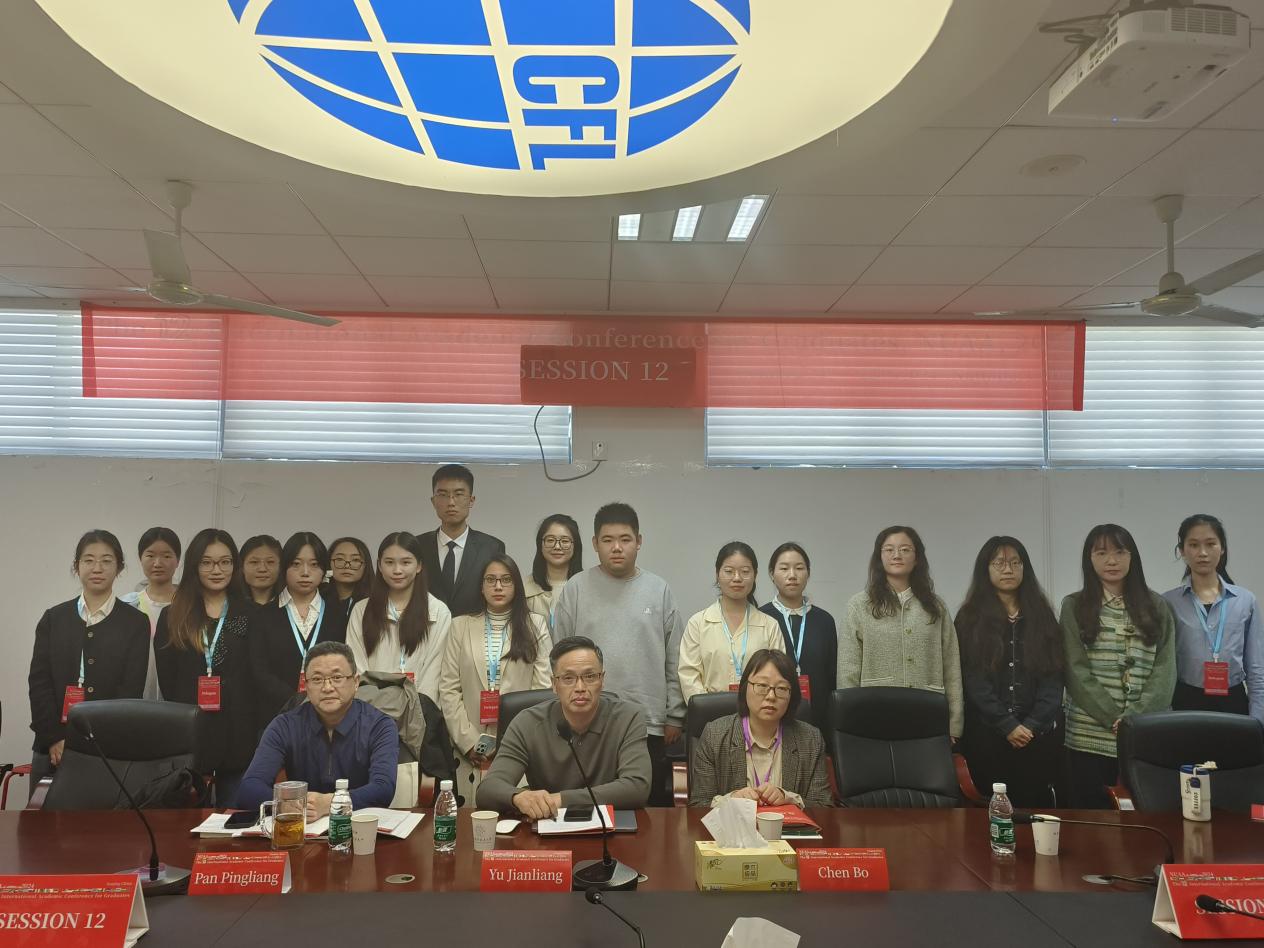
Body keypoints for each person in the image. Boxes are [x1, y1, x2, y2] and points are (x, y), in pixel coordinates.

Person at [552, 502, 685, 806]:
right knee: (589, 808)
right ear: (595, 543)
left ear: (639, 541)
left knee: (645, 809)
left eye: (625, 539)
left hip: (648, 722)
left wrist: (675, 716)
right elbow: (559, 654)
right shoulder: (576, 588)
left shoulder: (659, 589)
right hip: (586, 720)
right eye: (608, 540)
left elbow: (675, 657)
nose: (616, 547)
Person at [1061, 524, 1176, 809]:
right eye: (1101, 553)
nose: (1111, 561)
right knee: (1092, 819)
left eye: (1120, 552)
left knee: (1147, 815)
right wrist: (1113, 717)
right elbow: (1075, 668)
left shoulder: (1157, 605)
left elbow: (1165, 668)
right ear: (1089, 559)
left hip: (1146, 731)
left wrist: (1134, 717)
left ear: (1132, 556)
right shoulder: (1074, 605)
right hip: (1089, 734)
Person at [27, 530, 149, 794]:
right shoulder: (54, 618)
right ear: (77, 566)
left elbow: (130, 690)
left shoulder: (135, 623)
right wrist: (54, 738)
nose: (97, 568)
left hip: (107, 754)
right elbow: (39, 683)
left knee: (100, 821)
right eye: (89, 560)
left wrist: (97, 745)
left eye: (106, 561)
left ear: (119, 567)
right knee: (43, 820)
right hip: (52, 749)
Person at [475, 636, 651, 817]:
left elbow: (637, 787)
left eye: (590, 676)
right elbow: (488, 790)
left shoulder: (629, 718)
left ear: (602, 679)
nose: (580, 687)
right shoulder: (527, 723)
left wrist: (559, 800)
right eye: (568, 678)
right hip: (547, 825)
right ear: (554, 684)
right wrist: (519, 797)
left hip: (612, 827)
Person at [956, 536, 1064, 809]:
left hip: (1036, 737)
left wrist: (1031, 725)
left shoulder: (1043, 616)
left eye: (1016, 563)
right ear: (986, 569)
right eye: (999, 563)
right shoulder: (970, 618)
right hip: (987, 735)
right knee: (989, 811)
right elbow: (973, 680)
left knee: (1034, 808)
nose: (1008, 570)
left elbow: (1053, 677)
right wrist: (1007, 725)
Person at [236, 642, 398, 816]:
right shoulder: (285, 725)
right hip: (303, 824)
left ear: (356, 682)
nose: (327, 688)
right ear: (306, 686)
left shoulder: (380, 726)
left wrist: (331, 803)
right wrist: (285, 804)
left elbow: (383, 789)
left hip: (359, 824)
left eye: (337, 677)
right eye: (317, 679)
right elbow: (249, 789)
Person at [155, 528, 255, 806]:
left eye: (225, 562)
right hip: (191, 732)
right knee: (186, 821)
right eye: (207, 562)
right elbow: (168, 680)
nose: (217, 570)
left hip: (238, 734)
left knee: (233, 819)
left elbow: (255, 677)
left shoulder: (250, 614)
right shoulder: (174, 615)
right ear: (194, 566)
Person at [439, 554, 551, 803]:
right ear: (481, 586)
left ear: (516, 585)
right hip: (469, 745)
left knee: (515, 814)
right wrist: (469, 742)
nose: (498, 586)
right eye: (491, 580)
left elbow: (542, 691)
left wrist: (515, 742)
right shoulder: (460, 626)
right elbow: (448, 688)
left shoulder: (535, 625)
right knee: (471, 817)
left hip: (521, 744)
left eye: (506, 580)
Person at [838, 526, 964, 739]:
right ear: (879, 558)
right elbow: (847, 669)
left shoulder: (935, 606)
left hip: (928, 715)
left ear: (917, 558)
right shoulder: (859, 605)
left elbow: (951, 666)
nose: (897, 555)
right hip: (874, 714)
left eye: (905, 549)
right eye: (889, 550)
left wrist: (954, 724)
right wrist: (850, 722)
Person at [688, 649, 832, 808]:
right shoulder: (715, 735)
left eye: (781, 688)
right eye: (762, 685)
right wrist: (731, 800)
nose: (771, 696)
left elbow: (824, 806)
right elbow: (698, 806)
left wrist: (790, 799)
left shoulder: (810, 739)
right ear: (744, 688)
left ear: (792, 696)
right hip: (735, 824)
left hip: (786, 824)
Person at [1163, 514, 1263, 720]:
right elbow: (1163, 667)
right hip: (1185, 699)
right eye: (1193, 545)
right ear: (1182, 550)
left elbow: (1256, 669)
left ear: (1222, 548)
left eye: (1210, 544)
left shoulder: (1245, 601)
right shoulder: (1168, 602)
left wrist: (1258, 720)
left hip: (1233, 700)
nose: (1203, 553)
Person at [250, 532, 348, 733]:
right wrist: (298, 700)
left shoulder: (338, 615)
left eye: (314, 565)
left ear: (324, 570)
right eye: (296, 564)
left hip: (327, 719)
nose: (305, 572)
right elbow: (259, 672)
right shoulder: (263, 615)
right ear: (284, 567)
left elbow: (343, 668)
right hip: (275, 718)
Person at [346, 532, 452, 704]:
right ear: (379, 566)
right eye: (389, 562)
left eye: (406, 562)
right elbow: (357, 666)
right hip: (371, 709)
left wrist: (417, 710)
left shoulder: (438, 611)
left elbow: (434, 673)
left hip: (420, 711)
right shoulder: (361, 610)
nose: (397, 570)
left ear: (419, 566)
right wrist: (373, 708)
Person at [679, 541, 784, 700]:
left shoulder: (770, 626)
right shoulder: (698, 623)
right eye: (729, 571)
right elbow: (689, 675)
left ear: (755, 575)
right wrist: (707, 707)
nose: (737, 578)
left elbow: (778, 675)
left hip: (759, 711)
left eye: (745, 571)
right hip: (710, 712)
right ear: (717, 574)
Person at [759, 542, 837, 729]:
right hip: (771, 715)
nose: (792, 575)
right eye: (784, 568)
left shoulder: (824, 620)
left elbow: (832, 675)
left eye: (799, 568)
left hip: (818, 717)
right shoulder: (761, 618)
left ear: (808, 573)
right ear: (771, 573)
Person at [418, 464, 506, 617]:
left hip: (474, 628)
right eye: (443, 495)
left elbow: (497, 596)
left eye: (458, 494)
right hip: (426, 628)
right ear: (433, 501)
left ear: (471, 500)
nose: (451, 502)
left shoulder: (492, 547)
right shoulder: (417, 546)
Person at [120, 526, 181, 700]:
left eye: (167, 556)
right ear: (141, 558)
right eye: (150, 555)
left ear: (178, 560)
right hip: (136, 696)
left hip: (179, 699)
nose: (158, 563)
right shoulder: (128, 606)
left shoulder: (190, 607)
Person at [523, 514, 583, 631]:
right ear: (540, 544)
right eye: (550, 540)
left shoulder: (586, 587)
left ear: (575, 545)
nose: (557, 546)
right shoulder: (523, 588)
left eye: (565, 541)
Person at [327, 536, 372, 622]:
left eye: (355, 560)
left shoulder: (373, 602)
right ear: (329, 563)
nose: (347, 566)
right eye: (340, 559)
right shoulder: (318, 600)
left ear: (365, 566)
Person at [234, 534, 283, 607]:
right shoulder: (231, 607)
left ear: (280, 566)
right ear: (242, 567)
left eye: (270, 562)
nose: (262, 569)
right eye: (254, 562)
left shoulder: (292, 607)